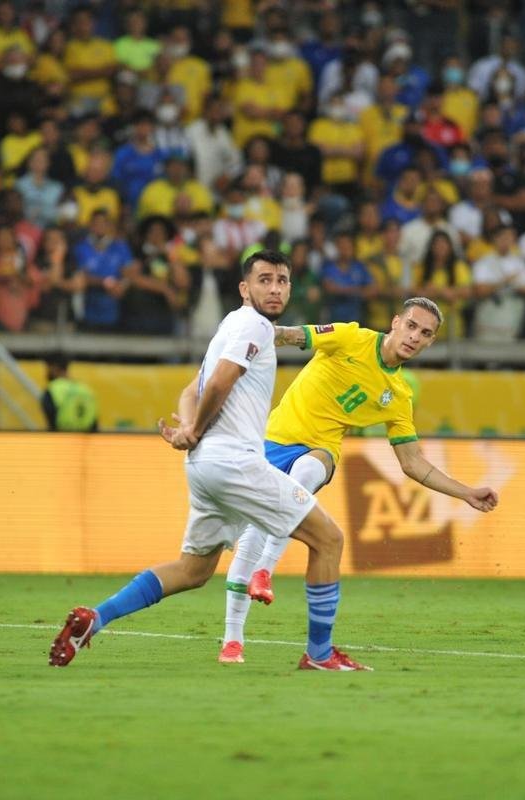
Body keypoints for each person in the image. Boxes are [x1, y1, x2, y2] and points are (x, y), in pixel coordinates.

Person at [49, 251, 372, 672]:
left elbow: (191, 387)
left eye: (282, 281)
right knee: (328, 540)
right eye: (265, 280)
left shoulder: (230, 326)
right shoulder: (253, 324)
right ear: (245, 288)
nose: (275, 288)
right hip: (235, 462)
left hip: (205, 467)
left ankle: (97, 617)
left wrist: (188, 428)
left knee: (193, 570)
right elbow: (218, 382)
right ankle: (320, 654)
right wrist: (196, 429)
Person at [218, 298, 500, 662]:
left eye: (426, 334)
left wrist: (466, 492)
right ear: (395, 322)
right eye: (412, 326)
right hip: (270, 441)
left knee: (301, 477)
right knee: (248, 535)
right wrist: (245, 335)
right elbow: (289, 335)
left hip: (321, 451)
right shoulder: (350, 337)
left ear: (431, 343)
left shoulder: (398, 395)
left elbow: (412, 462)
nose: (415, 337)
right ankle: (232, 640)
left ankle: (265, 570)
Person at [40, 356, 98, 432]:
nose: (46, 373)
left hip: (63, 439)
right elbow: (94, 423)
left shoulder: (53, 389)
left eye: (48, 369)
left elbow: (51, 421)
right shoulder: (86, 391)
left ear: (54, 367)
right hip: (85, 441)